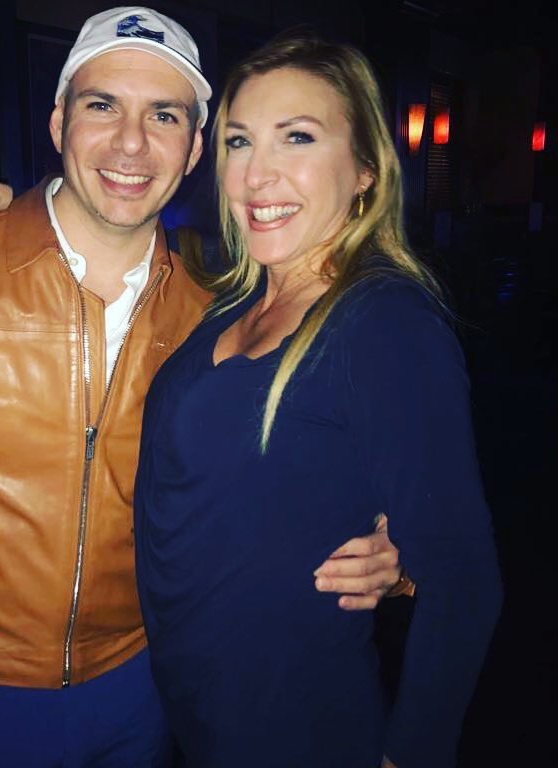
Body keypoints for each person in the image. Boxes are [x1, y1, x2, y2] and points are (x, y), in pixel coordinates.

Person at [0, 8, 404, 768]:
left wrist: (396, 547)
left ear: (194, 150)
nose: (131, 142)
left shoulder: (221, 307)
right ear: (59, 122)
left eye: (164, 115)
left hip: (143, 688)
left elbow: (300, 473)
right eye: (102, 105)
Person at [132, 33, 503, 768]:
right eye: (240, 141)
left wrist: (410, 754)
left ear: (366, 168)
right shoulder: (230, 299)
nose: (257, 174)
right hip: (194, 718)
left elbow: (465, 582)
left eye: (296, 137)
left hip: (297, 730)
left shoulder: (384, 323)